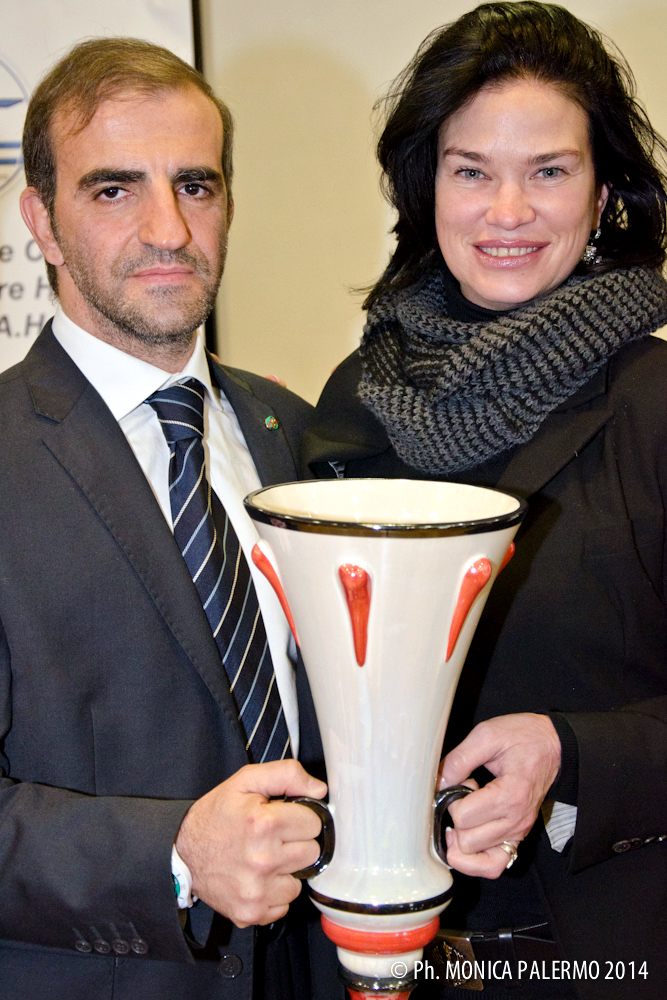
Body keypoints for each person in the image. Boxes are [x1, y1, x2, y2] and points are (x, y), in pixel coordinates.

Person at [302, 3, 667, 997]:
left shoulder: (652, 403)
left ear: (602, 194)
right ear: (426, 187)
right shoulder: (353, 399)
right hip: (375, 955)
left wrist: (570, 753)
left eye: (548, 171)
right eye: (471, 171)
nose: (508, 211)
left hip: (607, 958)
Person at [0, 37, 342, 1000]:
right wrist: (175, 855)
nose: (169, 228)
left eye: (196, 185)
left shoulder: (296, 432)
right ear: (43, 221)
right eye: (114, 190)